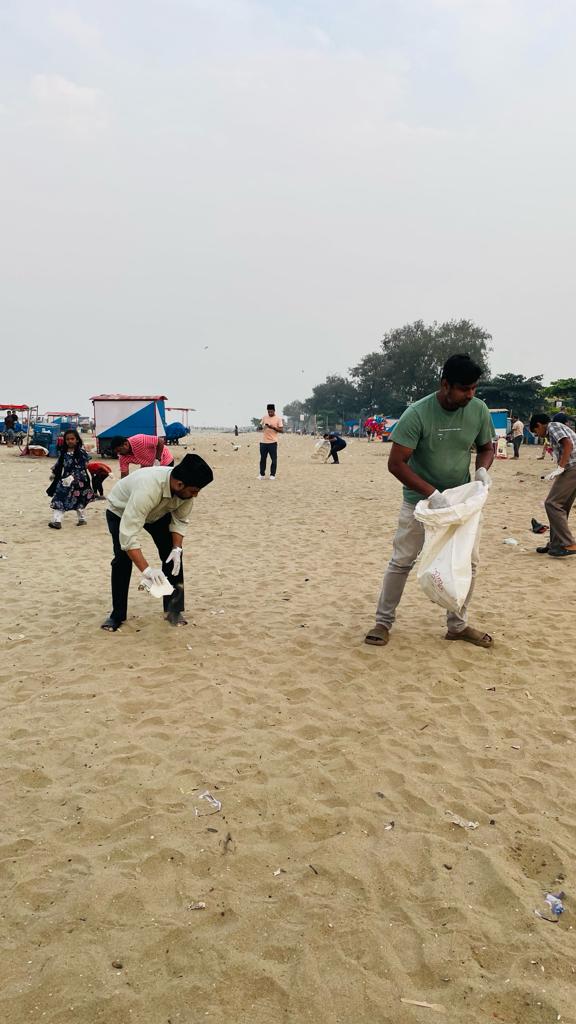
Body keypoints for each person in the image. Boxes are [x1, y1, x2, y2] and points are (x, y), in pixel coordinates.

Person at [365, 353, 495, 650]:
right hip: (420, 505)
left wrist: (482, 470)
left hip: (461, 504)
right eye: (464, 389)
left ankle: (457, 626)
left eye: (474, 388)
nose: (470, 394)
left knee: (467, 563)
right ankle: (383, 623)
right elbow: (397, 464)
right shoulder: (418, 413)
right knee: (402, 561)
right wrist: (431, 494)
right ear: (445, 384)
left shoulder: (478, 410)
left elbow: (487, 446)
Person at [101, 453, 213, 631]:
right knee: (122, 559)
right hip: (121, 510)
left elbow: (180, 521)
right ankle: (117, 615)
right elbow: (129, 536)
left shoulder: (185, 494)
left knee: (173, 556)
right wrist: (147, 571)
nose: (195, 495)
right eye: (194, 491)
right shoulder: (148, 489)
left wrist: (176, 549)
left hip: (157, 513)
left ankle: (173, 611)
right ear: (179, 484)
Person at [529, 413, 576, 557]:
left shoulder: (553, 426)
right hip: (572, 467)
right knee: (561, 506)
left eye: (536, 431)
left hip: (572, 467)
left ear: (539, 424)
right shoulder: (554, 429)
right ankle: (557, 544)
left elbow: (568, 444)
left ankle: (568, 543)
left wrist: (561, 468)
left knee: (552, 504)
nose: (538, 435)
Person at [47, 429, 94, 529]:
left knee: (79, 500)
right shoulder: (63, 453)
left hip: (80, 481)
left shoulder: (81, 452)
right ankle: (57, 521)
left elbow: (86, 465)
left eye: (72, 439)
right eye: (67, 439)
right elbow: (59, 465)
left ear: (77, 440)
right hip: (66, 481)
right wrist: (54, 474)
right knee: (59, 498)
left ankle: (82, 519)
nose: (70, 441)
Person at [259, 404, 283, 480]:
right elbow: (260, 427)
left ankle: (272, 475)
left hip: (273, 442)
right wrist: (261, 427)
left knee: (273, 459)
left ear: (274, 411)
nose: (270, 413)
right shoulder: (264, 417)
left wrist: (273, 427)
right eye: (268, 412)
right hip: (263, 442)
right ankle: (262, 475)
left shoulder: (278, 419)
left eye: (271, 412)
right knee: (263, 459)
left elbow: (281, 430)